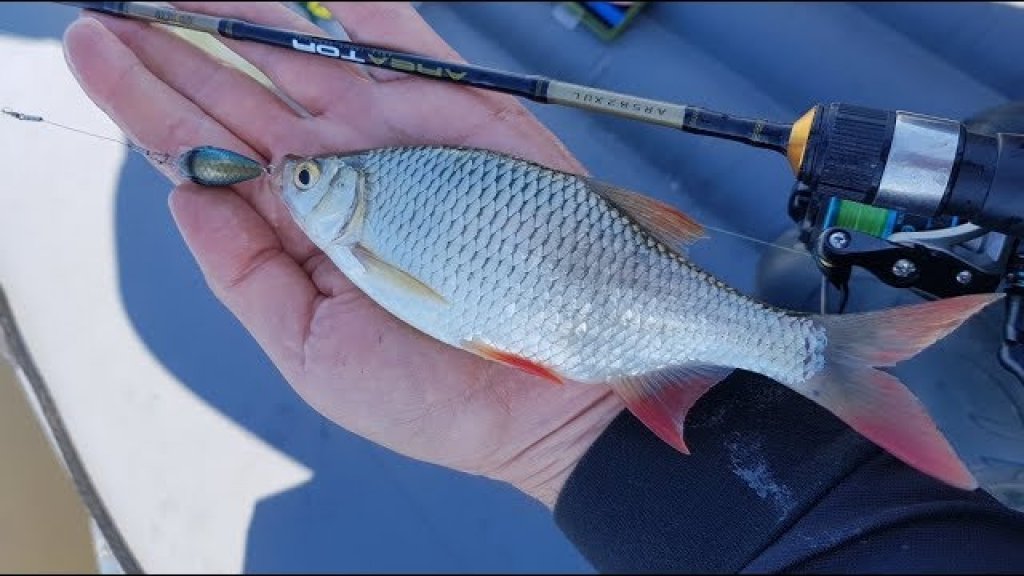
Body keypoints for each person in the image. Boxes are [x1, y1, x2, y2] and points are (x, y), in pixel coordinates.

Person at [63, 3, 1024, 572]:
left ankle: (818, 358)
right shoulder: (378, 208)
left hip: (605, 336)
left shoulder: (363, 224)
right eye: (302, 179)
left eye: (306, 179)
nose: (293, 183)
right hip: (595, 329)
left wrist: (572, 450)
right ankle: (820, 359)